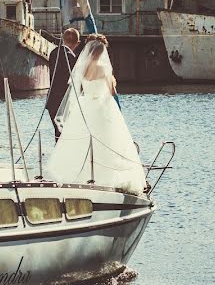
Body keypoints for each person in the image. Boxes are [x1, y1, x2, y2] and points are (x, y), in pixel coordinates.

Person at [46, 35, 146, 195]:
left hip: (85, 106)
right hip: (102, 106)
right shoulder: (103, 67)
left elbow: (78, 90)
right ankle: (106, 177)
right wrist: (112, 80)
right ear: (101, 52)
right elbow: (111, 91)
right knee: (109, 140)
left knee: (83, 141)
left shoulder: (81, 66)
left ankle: (80, 176)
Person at [46, 27, 80, 140]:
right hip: (65, 102)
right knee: (67, 134)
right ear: (77, 43)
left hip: (52, 100)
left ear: (63, 39)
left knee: (58, 133)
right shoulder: (71, 58)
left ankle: (57, 155)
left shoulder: (53, 53)